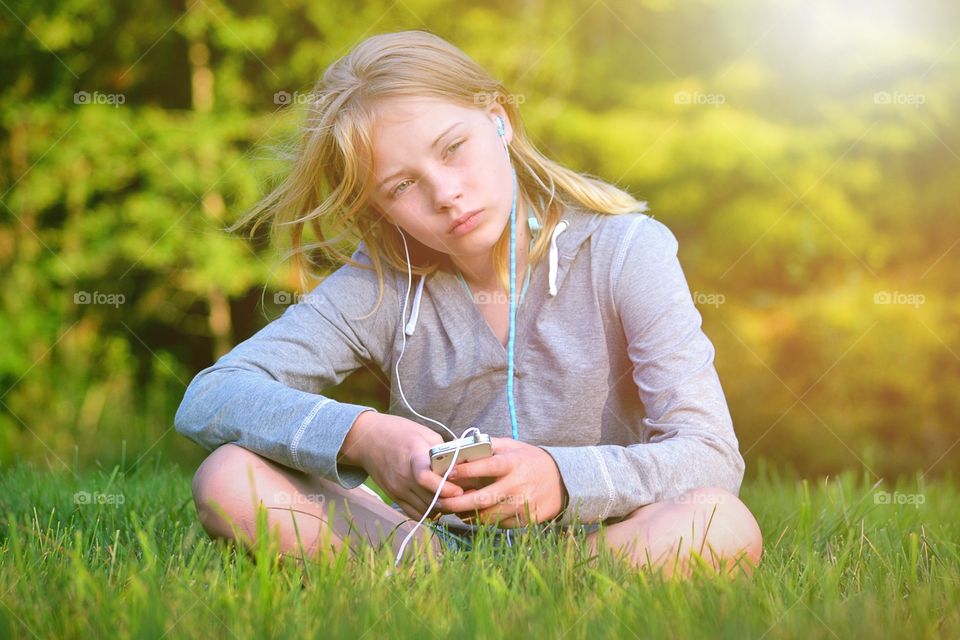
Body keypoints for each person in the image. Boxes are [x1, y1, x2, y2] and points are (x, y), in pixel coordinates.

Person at [174, 29, 763, 580]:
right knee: (227, 478)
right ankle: (438, 586)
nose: (446, 194)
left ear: (497, 120)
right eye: (402, 186)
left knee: (721, 523)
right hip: (429, 548)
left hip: (606, 542)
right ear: (381, 208)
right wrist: (364, 436)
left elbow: (709, 454)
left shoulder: (627, 250)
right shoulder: (381, 283)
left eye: (452, 148)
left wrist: (561, 480)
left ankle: (552, 588)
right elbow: (213, 395)